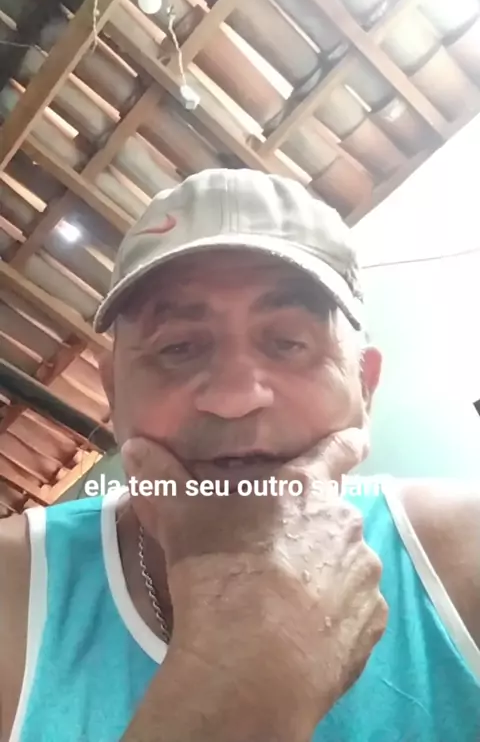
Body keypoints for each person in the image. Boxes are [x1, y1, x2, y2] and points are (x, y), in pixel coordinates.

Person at [0, 168, 479, 742]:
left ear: (365, 387)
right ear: (113, 393)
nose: (235, 398)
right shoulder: (13, 589)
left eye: (289, 342)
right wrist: (239, 678)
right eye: (178, 347)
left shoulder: (464, 553)